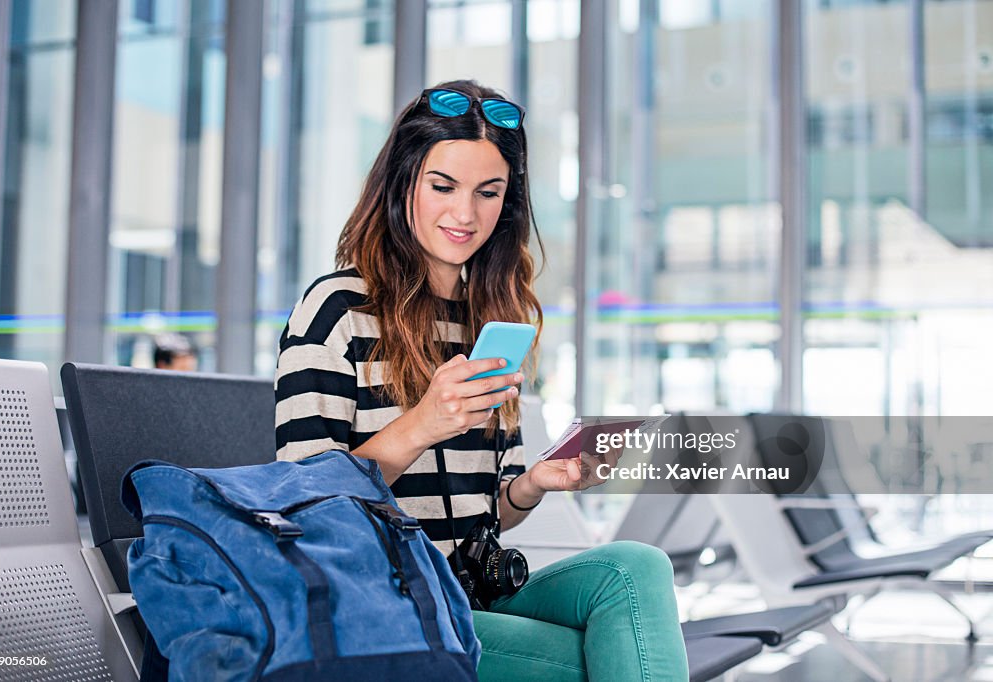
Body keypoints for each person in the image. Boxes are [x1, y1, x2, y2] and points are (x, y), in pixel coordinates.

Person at [274, 80, 688, 681]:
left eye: (487, 192)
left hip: (469, 591)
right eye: (443, 187)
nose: (465, 214)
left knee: (636, 568)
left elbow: (484, 513)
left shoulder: (490, 318)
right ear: (403, 184)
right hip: (379, 604)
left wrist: (534, 485)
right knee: (609, 658)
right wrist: (421, 424)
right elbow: (301, 501)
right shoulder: (337, 307)